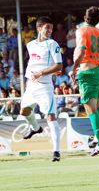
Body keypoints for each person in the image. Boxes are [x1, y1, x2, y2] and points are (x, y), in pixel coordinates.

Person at [19, 16, 62, 162]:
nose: (50, 30)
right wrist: (31, 76)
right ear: (39, 28)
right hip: (31, 85)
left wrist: (42, 72)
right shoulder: (30, 45)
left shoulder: (52, 44)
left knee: (51, 116)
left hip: (44, 87)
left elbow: (59, 65)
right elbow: (33, 62)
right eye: (47, 27)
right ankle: (36, 128)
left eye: (51, 28)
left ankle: (56, 151)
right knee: (24, 111)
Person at [69, 6, 99, 152]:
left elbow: (81, 50)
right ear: (98, 20)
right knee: (97, 107)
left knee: (90, 109)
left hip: (88, 72)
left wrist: (74, 68)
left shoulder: (82, 31)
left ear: (85, 17)